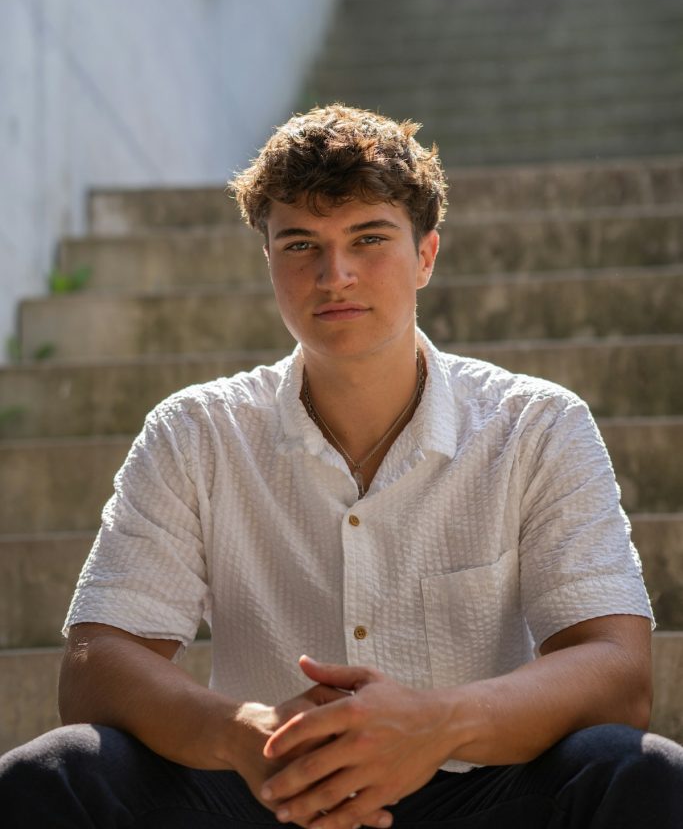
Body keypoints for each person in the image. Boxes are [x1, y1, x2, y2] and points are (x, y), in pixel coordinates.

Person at [1, 103, 681, 826]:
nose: (335, 274)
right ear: (267, 260)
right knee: (57, 772)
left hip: (478, 791)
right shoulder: (195, 430)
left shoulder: (537, 424)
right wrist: (242, 732)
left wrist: (436, 724)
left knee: (641, 774)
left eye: (368, 238)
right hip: (263, 791)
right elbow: (96, 662)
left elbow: (614, 671)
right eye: (299, 246)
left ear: (425, 256)